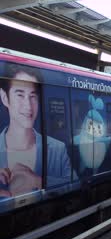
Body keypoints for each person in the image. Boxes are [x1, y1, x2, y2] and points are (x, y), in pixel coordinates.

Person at [0, 64, 71, 198]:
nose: (28, 106)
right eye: (20, 95)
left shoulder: (58, 149)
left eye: (33, 96)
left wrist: (39, 181)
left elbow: (78, 186)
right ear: (4, 98)